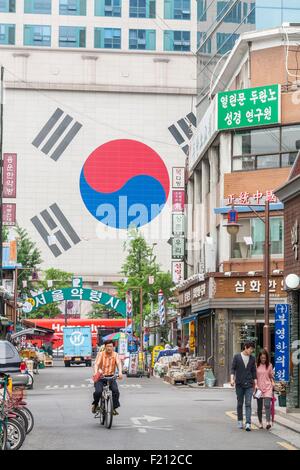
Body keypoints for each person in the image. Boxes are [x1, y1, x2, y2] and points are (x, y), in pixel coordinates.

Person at [230, 341, 257, 431]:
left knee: (248, 403)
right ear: (245, 347)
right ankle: (240, 420)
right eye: (251, 349)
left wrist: (256, 383)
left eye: (252, 349)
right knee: (240, 403)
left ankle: (248, 423)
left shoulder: (252, 359)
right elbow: (233, 369)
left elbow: (254, 372)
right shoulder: (237, 357)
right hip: (239, 384)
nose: (251, 351)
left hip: (249, 384)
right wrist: (232, 379)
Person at [92, 340, 122, 416]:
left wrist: (120, 372)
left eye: (111, 346)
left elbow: (118, 363)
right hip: (100, 377)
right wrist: (96, 372)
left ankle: (113, 408)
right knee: (98, 392)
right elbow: (96, 364)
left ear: (113, 347)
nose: (109, 348)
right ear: (105, 347)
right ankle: (95, 405)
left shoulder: (115, 355)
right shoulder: (101, 354)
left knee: (116, 391)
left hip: (111, 377)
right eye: (108, 346)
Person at [256, 349, 275, 430]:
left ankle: (268, 422)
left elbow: (271, 376)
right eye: (262, 358)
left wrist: (273, 382)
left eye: (265, 358)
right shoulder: (256, 365)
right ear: (259, 357)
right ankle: (260, 423)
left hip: (268, 387)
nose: (263, 359)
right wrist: (256, 385)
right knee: (259, 407)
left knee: (267, 405)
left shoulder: (269, 365)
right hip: (259, 388)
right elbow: (254, 377)